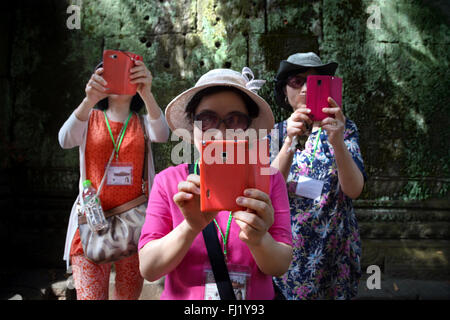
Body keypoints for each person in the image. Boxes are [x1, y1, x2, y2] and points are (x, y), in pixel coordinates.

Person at [138, 68, 293, 300]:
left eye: (235, 120)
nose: (220, 132)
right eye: (207, 119)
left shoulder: (269, 179)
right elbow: (149, 269)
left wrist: (260, 239)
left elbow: (280, 265)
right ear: (193, 126)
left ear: (248, 129)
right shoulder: (169, 182)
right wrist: (190, 227)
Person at [58, 58, 170, 300]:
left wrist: (147, 93)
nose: (120, 79)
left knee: (128, 296)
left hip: (134, 224)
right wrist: (89, 100)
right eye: (111, 73)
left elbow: (162, 133)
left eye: (128, 74)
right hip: (91, 224)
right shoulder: (89, 118)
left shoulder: (141, 122)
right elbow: (65, 139)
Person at [270, 52, 367, 299]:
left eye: (314, 82)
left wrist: (338, 142)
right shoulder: (276, 134)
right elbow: (268, 191)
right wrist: (290, 141)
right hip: (289, 255)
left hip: (335, 252)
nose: (304, 88)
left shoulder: (343, 128)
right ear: (284, 90)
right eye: (296, 81)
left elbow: (354, 190)